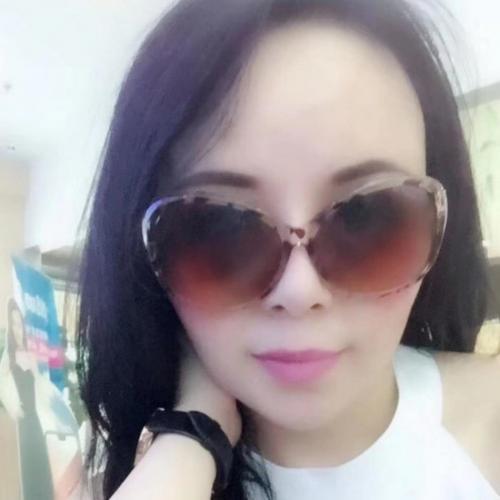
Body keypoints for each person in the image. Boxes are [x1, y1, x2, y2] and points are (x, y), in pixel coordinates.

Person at [74, 0, 500, 499]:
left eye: (366, 217)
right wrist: (193, 433)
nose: (299, 292)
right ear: (144, 253)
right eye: (221, 230)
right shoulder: (119, 472)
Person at [4, 298, 55, 500]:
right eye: (14, 324)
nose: (19, 330)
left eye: (20, 324)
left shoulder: (31, 357)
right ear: (10, 328)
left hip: (35, 423)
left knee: (42, 476)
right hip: (21, 425)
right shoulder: (8, 360)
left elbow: (41, 388)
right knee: (27, 480)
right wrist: (13, 405)